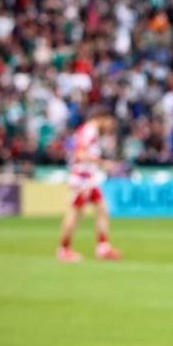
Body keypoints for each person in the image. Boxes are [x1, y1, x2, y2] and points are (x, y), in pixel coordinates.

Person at [57, 108, 122, 262]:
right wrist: (102, 162)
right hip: (82, 179)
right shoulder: (89, 131)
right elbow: (79, 154)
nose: (110, 126)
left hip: (89, 179)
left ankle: (103, 247)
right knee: (75, 213)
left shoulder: (90, 131)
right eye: (109, 121)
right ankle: (64, 249)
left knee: (102, 209)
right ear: (102, 118)